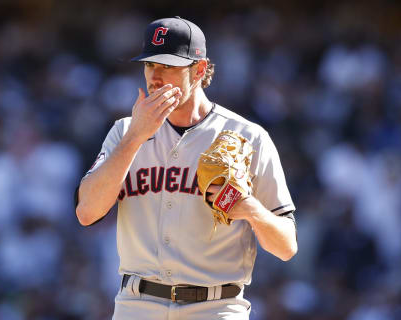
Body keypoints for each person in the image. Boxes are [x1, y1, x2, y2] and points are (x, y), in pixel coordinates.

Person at [75, 16, 297, 320]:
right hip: (138, 305)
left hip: (216, 306)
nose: (155, 76)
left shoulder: (248, 137)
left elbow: (286, 246)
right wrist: (136, 137)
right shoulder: (125, 131)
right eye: (150, 65)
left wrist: (250, 210)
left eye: (167, 66)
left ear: (200, 70)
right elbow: (86, 212)